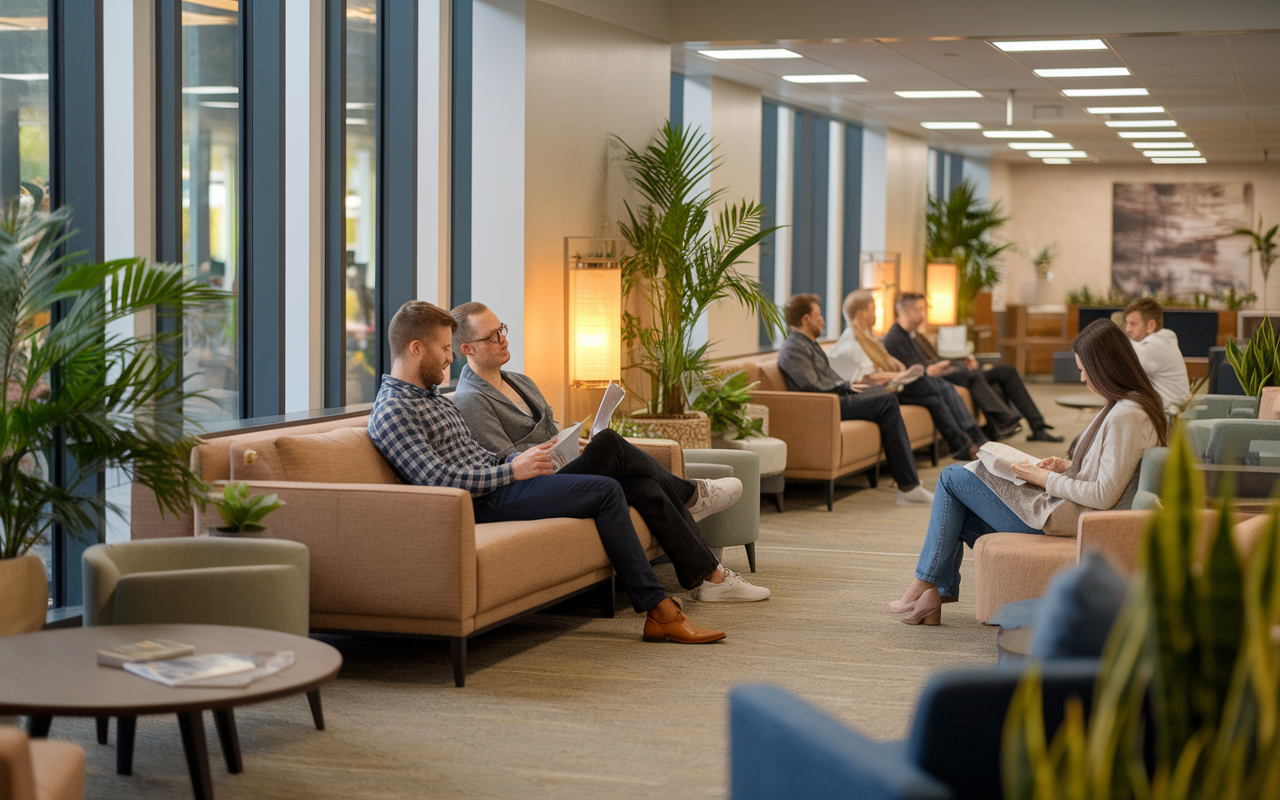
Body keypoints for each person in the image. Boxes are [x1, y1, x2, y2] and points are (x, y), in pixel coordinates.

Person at [366, 301, 739, 646]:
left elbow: (477, 456)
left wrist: (524, 461)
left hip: (497, 487)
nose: (450, 357)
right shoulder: (394, 410)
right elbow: (439, 481)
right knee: (608, 482)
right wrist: (513, 470)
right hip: (477, 504)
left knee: (615, 485)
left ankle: (661, 610)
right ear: (416, 348)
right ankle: (662, 606)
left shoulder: (432, 400)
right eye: (444, 349)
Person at [447, 301, 770, 603]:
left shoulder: (520, 381)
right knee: (611, 444)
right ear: (467, 349)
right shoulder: (470, 400)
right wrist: (561, 449)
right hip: (530, 485)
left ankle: (710, 579)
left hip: (560, 466)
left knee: (642, 486)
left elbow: (549, 432)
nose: (503, 339)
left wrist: (572, 442)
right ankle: (689, 493)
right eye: (492, 336)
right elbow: (510, 460)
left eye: (502, 329)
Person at [889, 319, 1168, 626]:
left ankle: (926, 585)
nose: (1082, 377)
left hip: (1070, 519)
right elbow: (1111, 472)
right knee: (960, 494)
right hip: (1071, 512)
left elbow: (1103, 494)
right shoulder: (1130, 406)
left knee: (952, 478)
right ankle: (931, 591)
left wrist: (1044, 479)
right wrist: (1067, 467)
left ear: (1104, 366)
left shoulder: (1125, 415)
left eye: (1084, 368)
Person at [776, 293, 934, 506]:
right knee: (886, 402)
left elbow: (828, 379)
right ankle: (908, 487)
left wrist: (850, 385)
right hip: (824, 406)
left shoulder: (809, 344)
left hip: (834, 398)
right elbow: (811, 385)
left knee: (887, 395)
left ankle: (907, 483)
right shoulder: (793, 347)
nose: (822, 320)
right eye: (818, 316)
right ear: (806, 320)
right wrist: (845, 386)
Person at [830, 290, 989, 461]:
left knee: (935, 398)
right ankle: (973, 439)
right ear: (861, 313)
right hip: (881, 392)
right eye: (873, 309)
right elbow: (865, 376)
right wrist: (898, 375)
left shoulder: (869, 339)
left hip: (893, 385)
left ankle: (963, 445)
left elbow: (887, 362)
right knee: (937, 385)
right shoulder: (851, 344)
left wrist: (901, 371)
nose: (876, 313)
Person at [884, 292, 1063, 443]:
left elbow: (935, 359)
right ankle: (1002, 421)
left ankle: (1036, 425)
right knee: (970, 374)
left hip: (942, 371)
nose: (922, 315)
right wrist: (938, 368)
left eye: (923, 309)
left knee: (1006, 371)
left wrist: (961, 360)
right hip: (931, 380)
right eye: (919, 309)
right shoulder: (895, 338)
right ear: (904, 311)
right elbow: (916, 369)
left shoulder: (915, 335)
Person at [1123, 297, 1190, 412]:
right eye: (1127, 323)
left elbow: (1120, 368)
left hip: (1169, 418)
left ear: (1151, 326)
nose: (1127, 329)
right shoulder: (1164, 339)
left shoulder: (1153, 346)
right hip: (1172, 413)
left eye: (1133, 324)